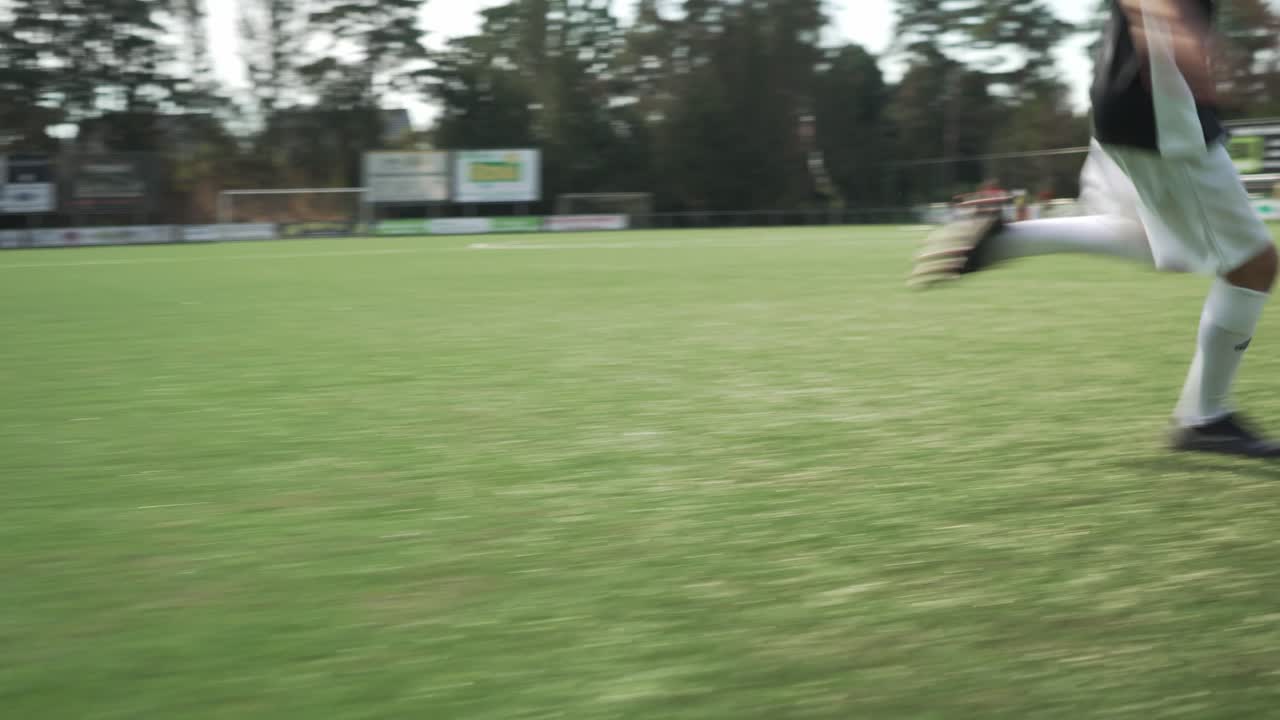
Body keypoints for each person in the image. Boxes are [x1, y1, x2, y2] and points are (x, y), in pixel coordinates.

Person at [910, 0, 1280, 458]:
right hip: (1163, 104)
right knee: (1253, 264)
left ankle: (1009, 239)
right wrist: (1172, 23)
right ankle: (1205, 418)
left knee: (1157, 241)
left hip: (1125, 97)